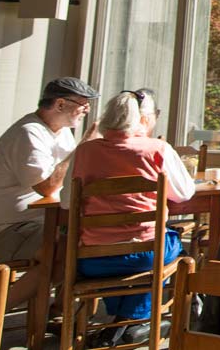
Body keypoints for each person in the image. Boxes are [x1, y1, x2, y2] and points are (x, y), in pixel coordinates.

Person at [63, 89, 197, 347]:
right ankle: (129, 324)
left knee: (154, 252)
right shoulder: (157, 149)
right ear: (140, 119)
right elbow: (184, 193)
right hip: (143, 256)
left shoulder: (85, 152)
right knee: (174, 248)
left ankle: (120, 325)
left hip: (93, 259)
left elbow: (66, 201)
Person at [0, 76, 99, 312]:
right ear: (60, 104)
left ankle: (56, 311)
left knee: (81, 244)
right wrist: (83, 149)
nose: (87, 109)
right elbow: (46, 187)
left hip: (29, 224)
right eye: (82, 103)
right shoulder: (29, 133)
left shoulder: (62, 132)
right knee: (70, 250)